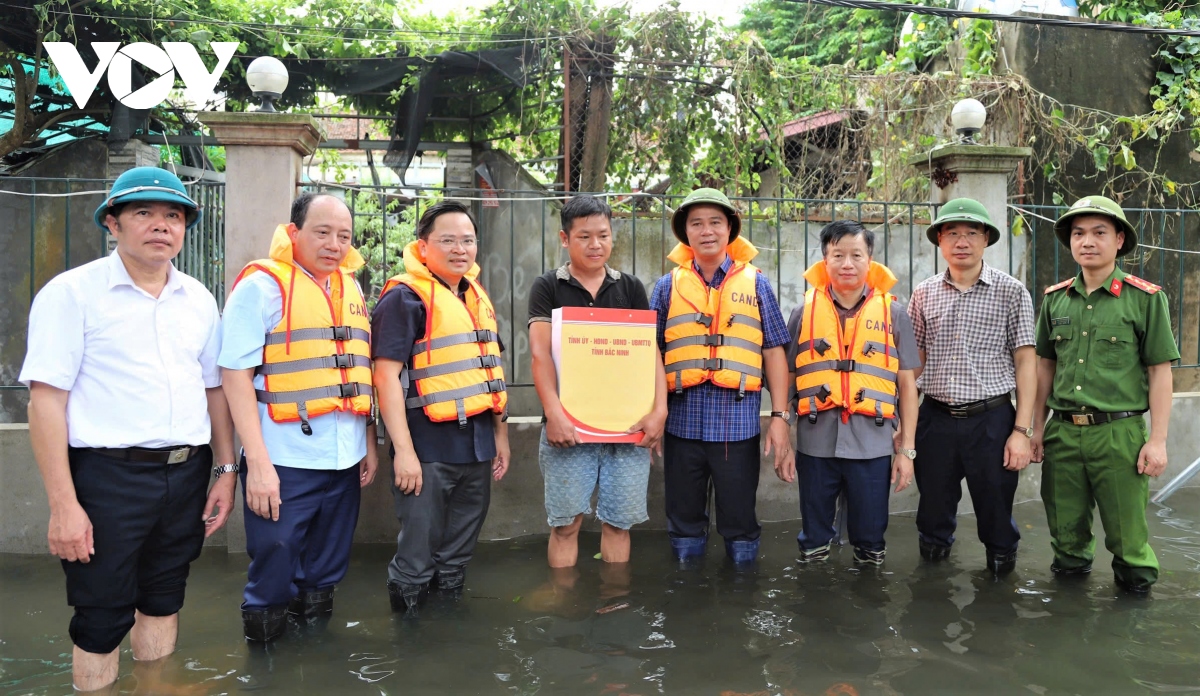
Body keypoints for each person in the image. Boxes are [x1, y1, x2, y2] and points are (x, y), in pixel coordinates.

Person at [21, 166, 236, 691]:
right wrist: (64, 505)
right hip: (107, 478)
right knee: (101, 611)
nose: (161, 225)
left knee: (165, 594)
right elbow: (45, 401)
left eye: (173, 215)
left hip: (188, 472)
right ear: (112, 224)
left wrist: (226, 470)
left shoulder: (198, 299)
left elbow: (214, 391)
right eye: (144, 213)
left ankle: (156, 686)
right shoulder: (72, 294)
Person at [220, 192, 378, 642]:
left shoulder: (351, 288)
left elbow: (355, 371)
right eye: (322, 232)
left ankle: (316, 662)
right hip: (284, 458)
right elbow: (234, 376)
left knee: (326, 571)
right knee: (274, 562)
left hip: (344, 458)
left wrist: (367, 444)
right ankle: (266, 669)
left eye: (343, 236)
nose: (334, 244)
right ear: (294, 233)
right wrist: (259, 466)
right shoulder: (261, 287)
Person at [1031, 195, 1179, 594]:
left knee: (1129, 547)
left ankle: (1130, 634)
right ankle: (1069, 624)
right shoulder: (1055, 299)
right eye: (1078, 233)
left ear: (1118, 240)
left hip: (1119, 436)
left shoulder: (1145, 298)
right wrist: (1035, 429)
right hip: (1062, 434)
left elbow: (1160, 371)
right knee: (1066, 543)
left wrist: (1158, 441)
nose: (1087, 241)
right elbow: (1044, 367)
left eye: (1099, 232)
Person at [373, 200, 510, 616]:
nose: (459, 249)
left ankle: (448, 636)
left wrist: (501, 437)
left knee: (457, 554)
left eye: (467, 240)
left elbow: (492, 372)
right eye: (447, 240)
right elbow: (384, 378)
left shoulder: (474, 296)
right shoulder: (404, 298)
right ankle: (410, 647)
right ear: (424, 246)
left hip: (478, 445)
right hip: (428, 449)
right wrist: (405, 453)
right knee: (416, 556)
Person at [649, 187, 794, 566]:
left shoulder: (757, 284)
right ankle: (686, 590)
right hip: (680, 427)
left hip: (737, 427)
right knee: (683, 522)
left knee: (740, 521)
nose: (707, 230)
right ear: (686, 232)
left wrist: (780, 418)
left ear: (730, 228)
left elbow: (775, 351)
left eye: (715, 221)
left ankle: (741, 599)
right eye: (696, 223)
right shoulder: (667, 287)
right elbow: (649, 354)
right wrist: (651, 415)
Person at [527, 195, 667, 568]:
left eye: (603, 235)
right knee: (565, 525)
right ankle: (562, 607)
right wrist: (553, 414)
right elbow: (540, 356)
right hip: (569, 427)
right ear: (564, 238)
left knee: (619, 525)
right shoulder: (547, 287)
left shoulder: (631, 288)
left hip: (627, 430)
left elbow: (649, 354)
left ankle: (614, 606)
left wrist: (660, 411)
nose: (595, 245)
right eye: (584, 236)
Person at [906, 199, 1036, 575]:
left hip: (991, 420)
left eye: (971, 233)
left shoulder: (1012, 292)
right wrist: (906, 425)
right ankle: (931, 591)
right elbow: (914, 364)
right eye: (952, 234)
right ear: (940, 242)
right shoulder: (924, 293)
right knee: (932, 513)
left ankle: (999, 601)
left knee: (996, 514)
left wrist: (1021, 432)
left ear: (986, 240)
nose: (962, 241)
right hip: (936, 419)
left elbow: (1026, 363)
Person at [786, 220, 919, 566]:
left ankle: (868, 602)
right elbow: (788, 377)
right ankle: (815, 602)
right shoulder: (803, 313)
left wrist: (906, 451)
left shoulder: (893, 314)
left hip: (872, 443)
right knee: (814, 539)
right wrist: (784, 437)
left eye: (856, 255)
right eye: (838, 255)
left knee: (871, 539)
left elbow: (907, 385)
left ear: (870, 259)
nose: (847, 264)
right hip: (816, 441)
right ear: (824, 260)